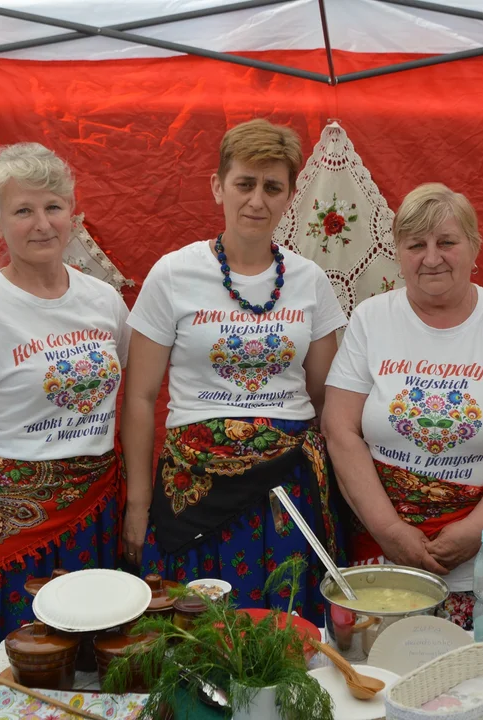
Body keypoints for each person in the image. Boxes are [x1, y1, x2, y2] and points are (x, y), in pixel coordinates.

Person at [0, 143, 130, 688]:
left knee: (90, 663)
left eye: (54, 207)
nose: (42, 224)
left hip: (95, 507)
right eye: (23, 211)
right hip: (13, 528)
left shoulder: (104, 301)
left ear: (73, 214)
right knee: (20, 664)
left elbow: (122, 389)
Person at [123, 119, 346, 625]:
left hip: (285, 488)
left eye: (273, 187)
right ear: (218, 186)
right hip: (193, 484)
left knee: (284, 631)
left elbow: (322, 392)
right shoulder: (173, 274)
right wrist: (138, 506)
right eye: (245, 183)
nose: (257, 200)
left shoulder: (310, 280)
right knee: (196, 633)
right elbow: (139, 398)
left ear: (290, 194)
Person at [323, 183, 483, 629]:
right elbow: (340, 429)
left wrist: (478, 530)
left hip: (479, 558)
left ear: (474, 246)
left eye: (447, 242)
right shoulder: (371, 318)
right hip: (382, 549)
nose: (432, 257)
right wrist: (390, 530)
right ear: (398, 252)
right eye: (416, 245)